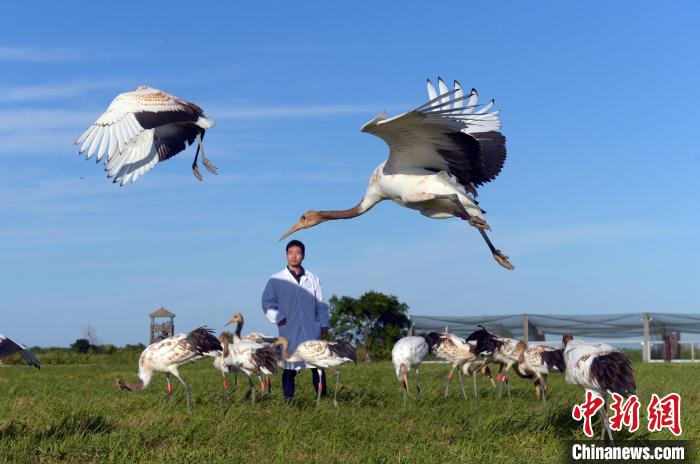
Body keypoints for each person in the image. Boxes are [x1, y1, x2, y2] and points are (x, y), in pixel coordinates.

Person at [261, 239, 329, 401]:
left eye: (297, 253)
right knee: (289, 367)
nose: (294, 257)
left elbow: (321, 304)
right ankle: (289, 402)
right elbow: (267, 302)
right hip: (289, 331)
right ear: (286, 255)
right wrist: (279, 318)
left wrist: (324, 324)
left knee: (317, 366)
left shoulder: (312, 278)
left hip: (311, 329)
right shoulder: (276, 279)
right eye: (290, 253)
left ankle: (323, 399)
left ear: (303, 256)